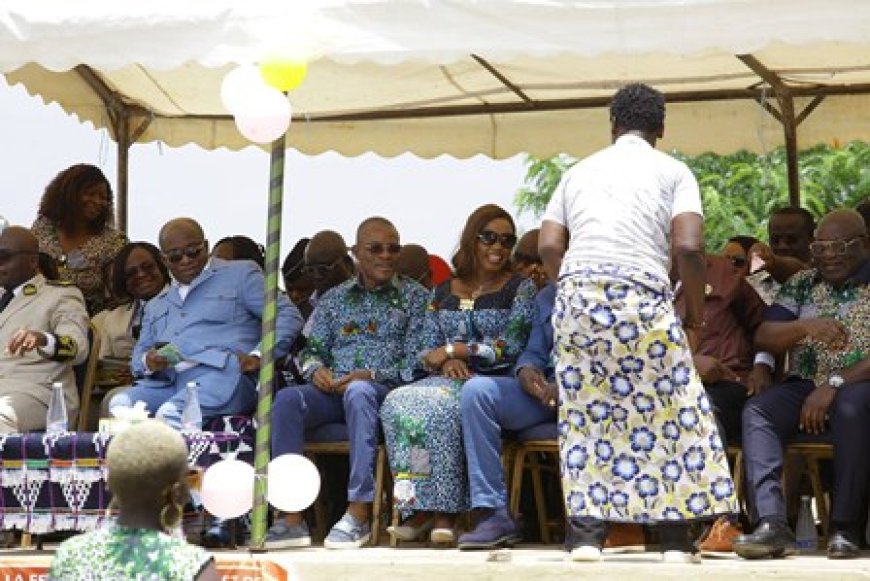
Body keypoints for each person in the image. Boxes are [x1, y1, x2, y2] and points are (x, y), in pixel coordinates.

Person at [539, 83, 738, 563]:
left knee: (588, 413)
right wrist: (693, 316)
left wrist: (574, 289)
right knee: (670, 409)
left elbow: (548, 244)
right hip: (641, 297)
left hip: (577, 296)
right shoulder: (674, 171)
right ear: (660, 128)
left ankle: (586, 538)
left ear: (613, 125)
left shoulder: (578, 171)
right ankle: (674, 541)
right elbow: (689, 247)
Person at [266, 217, 428, 550]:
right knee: (286, 401)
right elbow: (310, 350)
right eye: (376, 249)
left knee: (359, 392)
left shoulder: (416, 297)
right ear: (355, 253)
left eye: (393, 248)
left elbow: (419, 360)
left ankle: (359, 511)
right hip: (333, 391)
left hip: (387, 393)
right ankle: (291, 516)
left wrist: (371, 375)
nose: (386, 255)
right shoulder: (334, 299)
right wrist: (316, 371)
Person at [381, 204, 535, 546]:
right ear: (471, 239)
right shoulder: (442, 291)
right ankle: (417, 505)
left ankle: (445, 514)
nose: (498, 247)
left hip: (494, 380)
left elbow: (510, 345)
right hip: (445, 377)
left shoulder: (519, 288)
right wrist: (443, 362)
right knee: (400, 404)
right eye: (489, 238)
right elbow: (425, 346)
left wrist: (457, 351)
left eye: (507, 241)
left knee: (441, 410)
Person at [734, 208, 869, 560]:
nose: (828, 255)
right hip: (805, 385)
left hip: (859, 383)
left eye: (838, 247)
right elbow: (764, 335)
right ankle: (771, 523)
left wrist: (834, 384)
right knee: (759, 409)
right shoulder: (803, 283)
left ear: (864, 243)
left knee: (851, 405)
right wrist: (805, 327)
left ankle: (845, 527)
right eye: (820, 248)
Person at [107, 218, 303, 427]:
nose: (185, 260)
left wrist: (260, 355)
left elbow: (287, 315)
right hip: (170, 382)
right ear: (164, 260)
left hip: (223, 377)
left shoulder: (240, 274)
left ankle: (175, 449)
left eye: (193, 251)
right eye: (175, 256)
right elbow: (138, 359)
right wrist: (148, 361)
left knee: (172, 414)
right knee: (120, 406)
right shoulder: (157, 304)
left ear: (206, 247)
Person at [673, 254, 772, 552]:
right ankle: (626, 524)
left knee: (702, 408)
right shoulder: (637, 278)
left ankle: (721, 521)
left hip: (726, 381)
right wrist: (686, 363)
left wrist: (762, 366)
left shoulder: (723, 274)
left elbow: (764, 326)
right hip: (661, 386)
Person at [49, 420, 219, 581]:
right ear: (176, 492)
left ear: (109, 485)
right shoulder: (192, 564)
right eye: (189, 477)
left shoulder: (70, 555)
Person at [456, 282, 556, 549]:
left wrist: (570, 383)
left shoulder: (613, 288)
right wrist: (526, 369)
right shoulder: (548, 295)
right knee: (478, 391)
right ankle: (493, 513)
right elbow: (534, 350)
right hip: (545, 395)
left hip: (594, 397)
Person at [0, 226, 89, 433]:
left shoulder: (60, 295)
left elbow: (77, 348)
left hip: (39, 393)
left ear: (32, 261)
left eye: (4, 257)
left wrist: (43, 340)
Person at [32, 163, 128, 314]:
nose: (98, 201)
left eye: (103, 197)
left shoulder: (114, 242)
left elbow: (118, 296)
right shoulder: (42, 227)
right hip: (37, 313)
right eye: (90, 194)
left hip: (87, 320)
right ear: (69, 193)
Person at [747, 207, 814, 304]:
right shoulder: (764, 276)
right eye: (775, 240)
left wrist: (773, 260)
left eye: (791, 240)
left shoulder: (826, 274)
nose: (782, 246)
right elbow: (778, 301)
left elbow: (801, 273)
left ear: (811, 239)